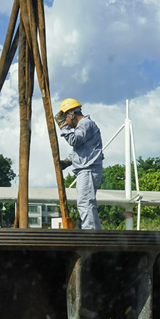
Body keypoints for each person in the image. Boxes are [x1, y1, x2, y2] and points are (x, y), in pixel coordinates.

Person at [55, 98, 104, 230]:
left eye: (65, 118)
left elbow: (74, 140)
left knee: (85, 203)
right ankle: (96, 235)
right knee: (88, 203)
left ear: (71, 114)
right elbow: (81, 150)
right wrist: (67, 162)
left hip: (88, 169)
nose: (66, 122)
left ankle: (90, 235)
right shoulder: (84, 126)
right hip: (86, 169)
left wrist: (62, 127)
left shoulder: (85, 124)